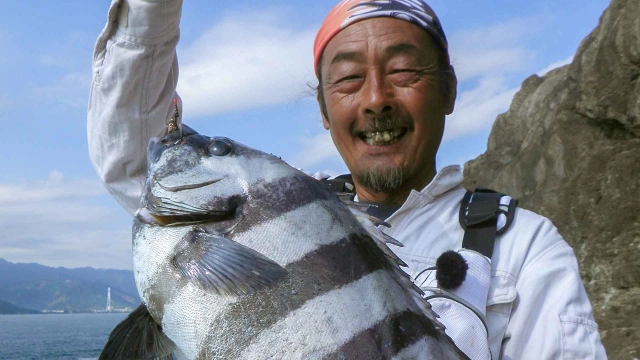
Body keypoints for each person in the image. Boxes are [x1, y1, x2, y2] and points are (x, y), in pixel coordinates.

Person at [87, 0, 607, 359]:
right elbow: (135, 149)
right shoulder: (277, 205)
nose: (376, 98)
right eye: (349, 78)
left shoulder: (527, 247)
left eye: (404, 71)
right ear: (324, 108)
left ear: (448, 91)